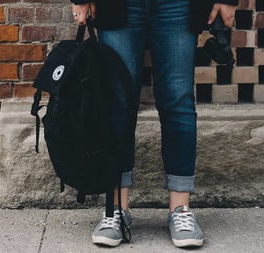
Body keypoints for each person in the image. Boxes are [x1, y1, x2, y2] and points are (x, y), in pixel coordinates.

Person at [70, 0, 238, 248]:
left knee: (178, 100)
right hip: (120, 6)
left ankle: (180, 209)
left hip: (178, 5)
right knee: (117, 102)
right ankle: (116, 209)